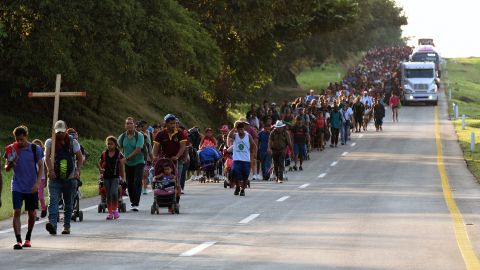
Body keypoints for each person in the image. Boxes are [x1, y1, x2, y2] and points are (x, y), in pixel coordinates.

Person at [6, 126, 43, 249]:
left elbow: (41, 167)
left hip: (31, 186)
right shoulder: (12, 149)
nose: (19, 142)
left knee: (31, 213)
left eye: (21, 139)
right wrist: (11, 163)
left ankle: (28, 238)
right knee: (16, 211)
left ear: (26, 136)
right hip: (17, 185)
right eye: (17, 139)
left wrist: (38, 183)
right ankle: (18, 240)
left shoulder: (35, 149)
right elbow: (6, 169)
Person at [45, 120, 83, 235]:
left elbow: (80, 158)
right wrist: (50, 170)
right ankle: (52, 224)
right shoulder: (50, 142)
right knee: (53, 202)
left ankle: (66, 226)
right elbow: (46, 157)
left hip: (70, 178)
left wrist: (77, 170)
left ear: (66, 130)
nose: (59, 134)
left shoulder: (73, 142)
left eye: (62, 132)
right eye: (57, 132)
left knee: (68, 203)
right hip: (54, 178)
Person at [153, 114, 187, 201]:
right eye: (171, 123)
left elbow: (183, 146)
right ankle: (164, 197)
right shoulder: (161, 134)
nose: (173, 125)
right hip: (165, 160)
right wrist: (154, 156)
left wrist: (177, 156)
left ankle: (176, 200)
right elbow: (156, 146)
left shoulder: (180, 133)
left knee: (176, 180)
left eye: (175, 123)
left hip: (177, 160)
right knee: (162, 180)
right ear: (166, 124)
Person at [118, 117, 145, 212]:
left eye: (131, 123)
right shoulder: (122, 136)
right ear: (125, 125)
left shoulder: (139, 136)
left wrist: (127, 158)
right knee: (129, 183)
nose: (129, 125)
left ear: (134, 125)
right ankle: (133, 202)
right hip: (128, 164)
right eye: (127, 123)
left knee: (137, 181)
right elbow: (118, 147)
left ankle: (136, 203)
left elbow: (138, 149)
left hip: (139, 162)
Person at [98, 136, 125, 220]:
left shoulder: (119, 154)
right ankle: (110, 212)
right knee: (108, 194)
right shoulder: (104, 154)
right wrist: (101, 170)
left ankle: (115, 210)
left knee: (114, 193)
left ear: (115, 145)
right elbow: (99, 163)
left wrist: (123, 176)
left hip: (115, 177)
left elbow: (122, 165)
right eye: (108, 144)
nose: (109, 146)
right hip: (106, 177)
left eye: (111, 144)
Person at [228, 120, 257, 196]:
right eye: (239, 129)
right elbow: (229, 136)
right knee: (235, 172)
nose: (240, 131)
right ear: (237, 130)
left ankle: (243, 190)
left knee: (245, 176)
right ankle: (237, 186)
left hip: (246, 160)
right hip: (237, 159)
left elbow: (254, 145)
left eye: (242, 129)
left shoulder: (248, 136)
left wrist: (254, 154)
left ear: (244, 129)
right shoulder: (235, 135)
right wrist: (234, 127)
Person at [135, 121, 153, 195]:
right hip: (135, 158)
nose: (138, 128)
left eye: (139, 127)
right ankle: (139, 187)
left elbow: (149, 146)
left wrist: (151, 157)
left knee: (144, 174)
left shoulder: (144, 136)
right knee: (137, 175)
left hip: (145, 158)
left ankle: (144, 188)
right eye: (137, 127)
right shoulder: (131, 136)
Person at [31, 139, 47, 220]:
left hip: (42, 178)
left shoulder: (43, 157)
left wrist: (46, 180)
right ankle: (34, 215)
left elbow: (46, 169)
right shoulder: (31, 156)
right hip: (33, 179)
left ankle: (44, 208)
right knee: (34, 197)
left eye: (39, 146)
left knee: (40, 195)